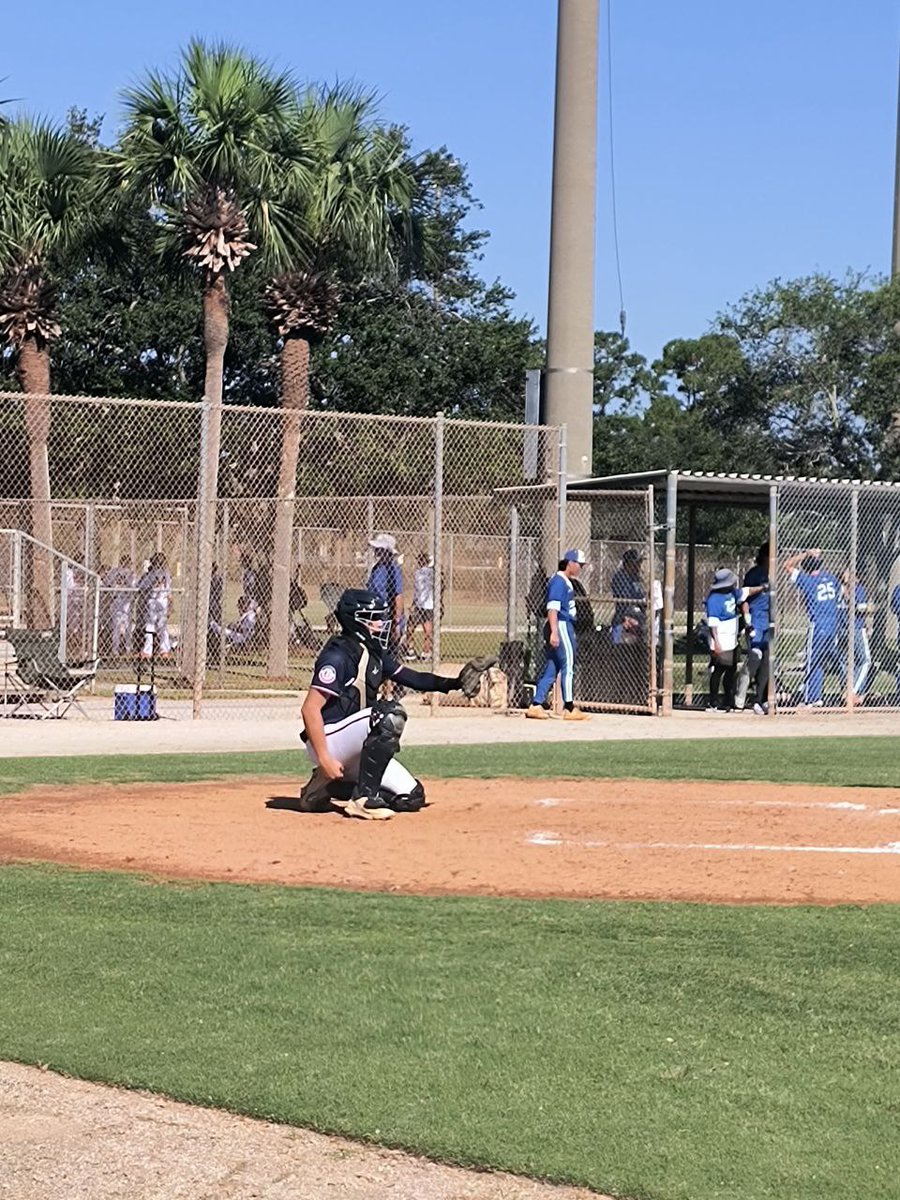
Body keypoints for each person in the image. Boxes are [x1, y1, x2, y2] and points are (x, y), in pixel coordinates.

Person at [298, 587, 485, 820]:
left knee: (412, 797)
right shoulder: (338, 656)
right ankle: (362, 799)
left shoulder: (373, 653)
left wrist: (455, 683)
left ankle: (323, 788)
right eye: (373, 619)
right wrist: (325, 757)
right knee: (388, 715)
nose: (380, 624)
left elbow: (414, 678)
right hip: (328, 739)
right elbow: (310, 708)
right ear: (356, 622)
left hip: (357, 742)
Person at [525, 549, 590, 722]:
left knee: (552, 668)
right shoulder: (559, 582)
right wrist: (554, 631)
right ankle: (569, 707)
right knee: (568, 665)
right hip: (561, 625)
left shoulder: (564, 581)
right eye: (579, 565)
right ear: (570, 563)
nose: (580, 568)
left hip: (560, 625)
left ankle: (536, 704)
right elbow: (552, 608)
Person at [783, 549, 841, 706]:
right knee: (826, 661)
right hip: (833, 624)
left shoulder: (807, 580)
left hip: (818, 624)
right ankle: (825, 694)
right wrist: (815, 556)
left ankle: (811, 698)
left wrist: (805, 554)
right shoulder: (830, 578)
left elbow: (787, 565)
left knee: (812, 661)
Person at [705, 567, 767, 712]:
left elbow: (747, 591)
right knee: (719, 670)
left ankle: (728, 701)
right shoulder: (713, 599)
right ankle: (713, 702)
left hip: (732, 639)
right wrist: (717, 643)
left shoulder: (732, 593)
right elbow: (713, 625)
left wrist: (762, 588)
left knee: (731, 670)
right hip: (720, 638)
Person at [735, 545, 771, 714]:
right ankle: (739, 698)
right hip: (756, 621)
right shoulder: (754, 574)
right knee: (755, 657)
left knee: (767, 663)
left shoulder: (773, 574)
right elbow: (744, 598)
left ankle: (759, 699)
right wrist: (747, 621)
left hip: (769, 624)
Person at [367, 533, 405, 659]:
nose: (376, 551)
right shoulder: (376, 568)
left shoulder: (394, 570)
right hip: (376, 615)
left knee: (388, 654)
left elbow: (398, 597)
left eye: (380, 549)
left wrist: (397, 622)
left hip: (388, 617)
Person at [839, 570, 871, 704]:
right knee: (865, 661)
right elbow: (862, 608)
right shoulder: (857, 589)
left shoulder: (838, 589)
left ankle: (850, 691)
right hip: (856, 628)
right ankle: (852, 692)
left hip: (842, 629)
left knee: (849, 662)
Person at [137, 551, 172, 659]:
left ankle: (148, 651)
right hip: (163, 601)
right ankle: (164, 650)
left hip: (153, 602)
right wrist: (170, 605)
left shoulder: (151, 574)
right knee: (162, 627)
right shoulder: (167, 574)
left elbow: (141, 586)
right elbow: (169, 591)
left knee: (150, 626)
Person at [610, 549, 647, 645]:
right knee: (619, 646)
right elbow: (624, 600)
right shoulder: (620, 577)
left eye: (639, 563)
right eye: (636, 563)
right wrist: (626, 618)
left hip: (638, 616)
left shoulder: (637, 578)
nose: (639, 566)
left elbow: (642, 596)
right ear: (628, 564)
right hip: (624, 616)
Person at [403, 553, 435, 660]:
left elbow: (418, 591)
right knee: (419, 628)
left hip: (424, 605)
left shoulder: (426, 573)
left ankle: (417, 651)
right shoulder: (424, 573)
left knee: (415, 628)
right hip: (423, 605)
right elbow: (418, 591)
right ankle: (421, 652)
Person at [104, 556, 136, 657]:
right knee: (127, 627)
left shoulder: (114, 572)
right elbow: (135, 586)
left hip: (116, 600)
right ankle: (128, 648)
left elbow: (106, 583)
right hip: (125, 601)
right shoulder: (130, 574)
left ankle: (115, 649)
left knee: (116, 627)